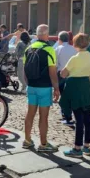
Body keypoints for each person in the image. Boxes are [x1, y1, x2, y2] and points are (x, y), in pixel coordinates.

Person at [22, 24, 59, 153]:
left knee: (30, 113)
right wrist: (56, 88)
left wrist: (28, 83)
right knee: (43, 116)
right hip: (44, 87)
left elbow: (25, 69)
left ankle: (27, 140)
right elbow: (52, 71)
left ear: (37, 35)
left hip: (31, 86)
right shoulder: (49, 50)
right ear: (47, 35)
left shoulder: (29, 48)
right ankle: (43, 143)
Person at [59, 34, 90, 158]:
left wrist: (61, 72)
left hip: (75, 87)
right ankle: (87, 145)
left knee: (78, 118)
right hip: (85, 85)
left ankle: (77, 148)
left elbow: (64, 74)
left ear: (75, 44)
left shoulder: (74, 58)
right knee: (87, 116)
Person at [55, 31, 76, 126]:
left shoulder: (58, 49)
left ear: (59, 39)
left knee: (63, 97)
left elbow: (55, 65)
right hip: (72, 74)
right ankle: (67, 114)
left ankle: (66, 116)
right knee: (70, 96)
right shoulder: (74, 49)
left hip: (61, 74)